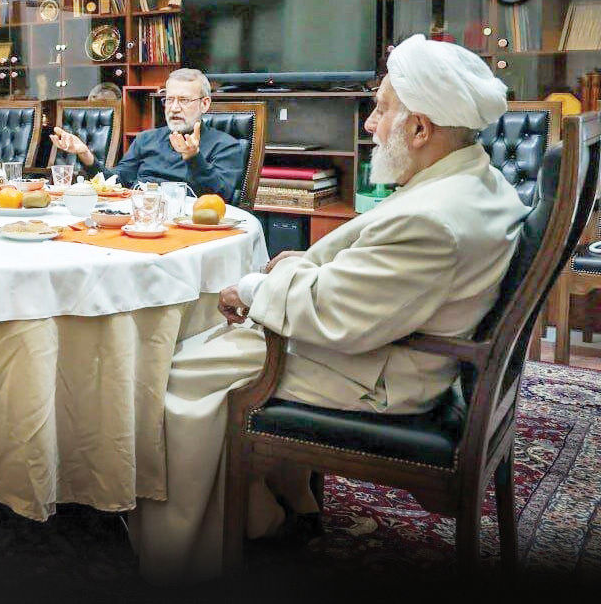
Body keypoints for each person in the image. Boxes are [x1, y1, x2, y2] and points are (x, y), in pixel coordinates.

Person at [127, 35, 528, 584]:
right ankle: (267, 510)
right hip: (390, 342)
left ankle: (182, 557)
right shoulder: (474, 179)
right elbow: (371, 282)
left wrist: (252, 289)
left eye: (380, 110)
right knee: (207, 343)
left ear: (420, 129)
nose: (370, 125)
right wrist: (299, 266)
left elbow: (332, 313)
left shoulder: (433, 219)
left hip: (377, 372)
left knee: (174, 374)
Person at [49, 68, 243, 198]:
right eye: (169, 99)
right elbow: (115, 182)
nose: (174, 108)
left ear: (205, 104)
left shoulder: (226, 146)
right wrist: (85, 154)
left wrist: (193, 157)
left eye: (184, 100)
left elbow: (220, 197)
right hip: (137, 217)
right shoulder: (146, 139)